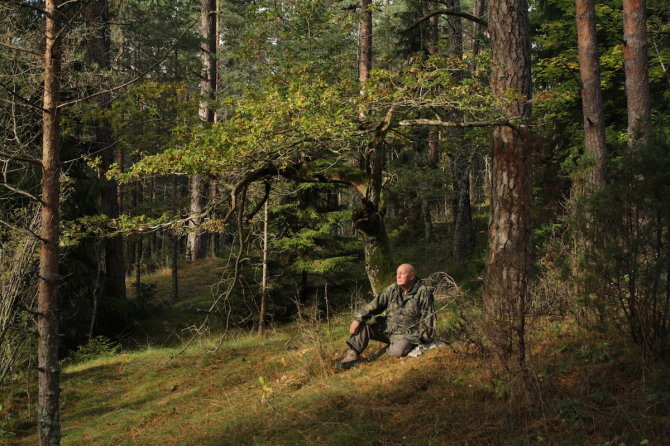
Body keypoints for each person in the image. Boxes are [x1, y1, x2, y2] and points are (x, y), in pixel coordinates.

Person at [337, 263, 436, 368]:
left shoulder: (423, 292)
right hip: (388, 329)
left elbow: (428, 317)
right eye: (397, 273)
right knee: (364, 324)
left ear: (412, 276)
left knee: (399, 351)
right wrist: (357, 319)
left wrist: (424, 340)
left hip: (408, 335)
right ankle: (351, 356)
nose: (398, 276)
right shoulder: (393, 289)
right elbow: (374, 305)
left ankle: (378, 355)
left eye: (402, 273)